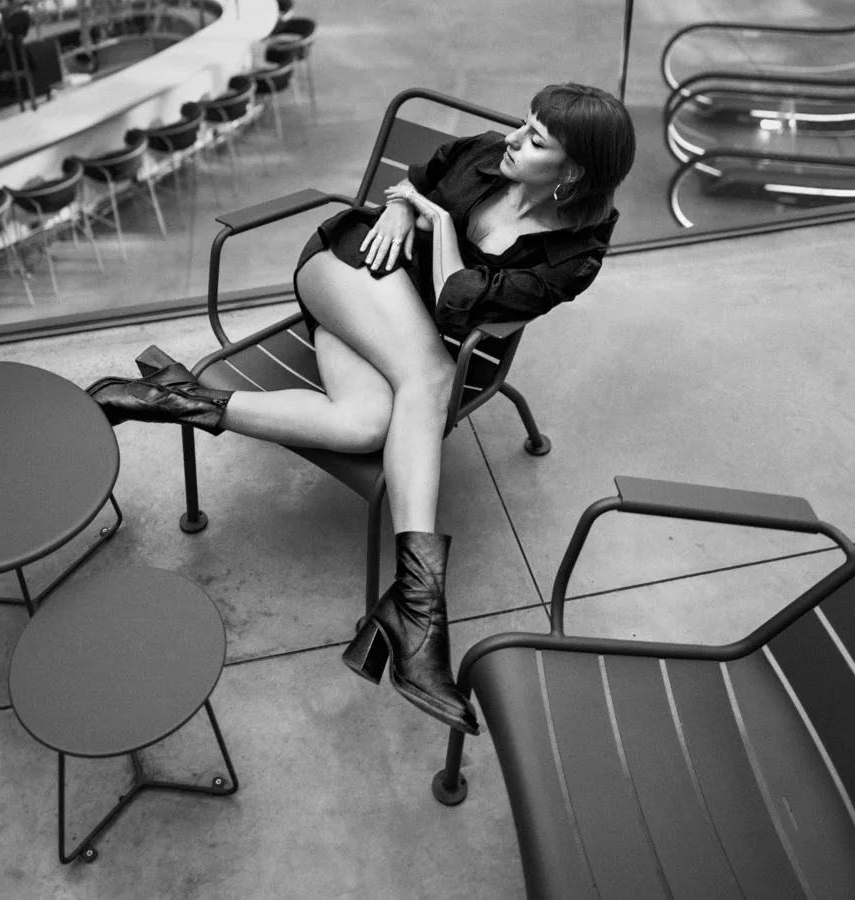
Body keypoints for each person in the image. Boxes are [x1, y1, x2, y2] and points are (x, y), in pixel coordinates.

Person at [87, 82, 636, 735]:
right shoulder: (487, 153)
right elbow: (411, 183)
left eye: (537, 139)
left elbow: (467, 304)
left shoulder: (578, 254)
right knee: (430, 377)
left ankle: (163, 396)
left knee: (365, 425)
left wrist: (435, 226)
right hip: (346, 270)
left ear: (573, 173)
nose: (514, 139)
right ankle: (417, 613)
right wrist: (403, 211)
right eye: (525, 122)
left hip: (403, 330)